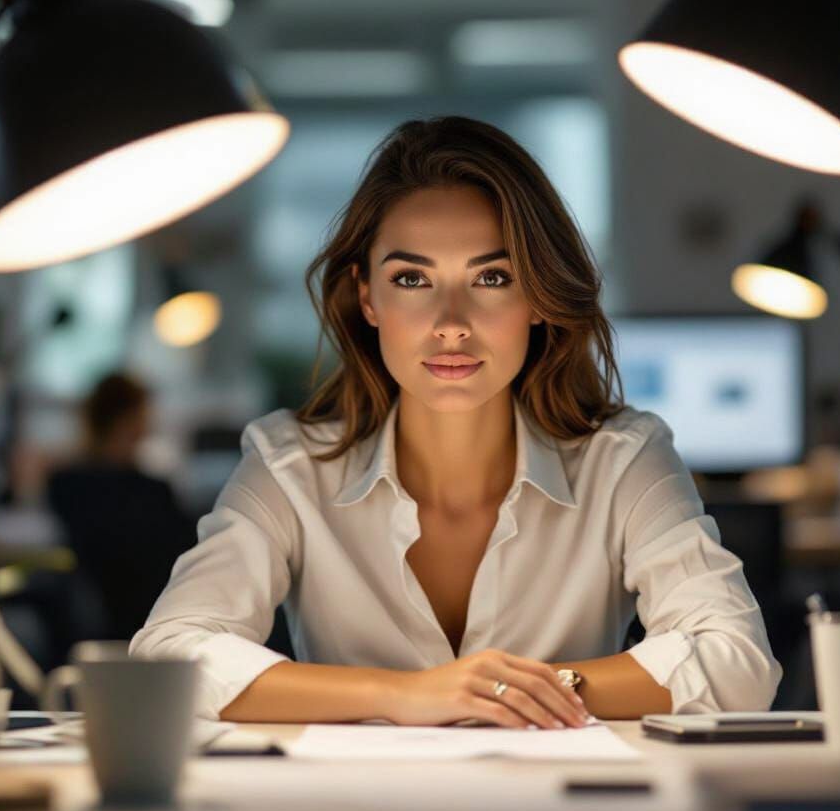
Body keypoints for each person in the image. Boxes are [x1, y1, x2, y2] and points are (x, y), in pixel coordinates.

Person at [131, 116, 782, 727]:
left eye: (492, 276)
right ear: (368, 298)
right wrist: (405, 695)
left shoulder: (624, 459)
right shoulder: (288, 464)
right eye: (412, 279)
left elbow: (738, 660)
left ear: (537, 296)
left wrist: (507, 691)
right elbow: (168, 654)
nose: (450, 322)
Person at [48, 372, 196, 643]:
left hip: (85, 625)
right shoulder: (151, 491)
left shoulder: (63, 483)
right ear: (129, 418)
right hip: (149, 622)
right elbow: (187, 554)